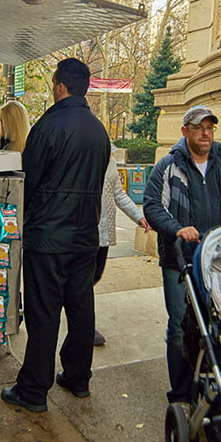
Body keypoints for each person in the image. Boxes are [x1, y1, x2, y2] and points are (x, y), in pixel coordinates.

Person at [2, 59, 110, 413]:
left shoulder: (48, 126)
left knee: (43, 314)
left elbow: (28, 181)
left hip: (48, 238)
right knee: (81, 310)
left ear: (59, 85)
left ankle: (33, 390)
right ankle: (78, 378)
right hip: (84, 238)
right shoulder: (99, 130)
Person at [143, 104, 221, 405]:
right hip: (179, 261)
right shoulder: (168, 167)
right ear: (185, 132)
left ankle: (214, 382)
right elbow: (153, 206)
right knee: (181, 325)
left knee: (217, 322)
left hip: (218, 261)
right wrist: (178, 229)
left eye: (209, 127)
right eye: (198, 127)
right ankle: (181, 393)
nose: (205, 133)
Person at [93, 148, 150, 346]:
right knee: (84, 282)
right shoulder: (81, 160)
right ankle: (85, 327)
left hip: (105, 233)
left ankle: (80, 317)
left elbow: (119, 194)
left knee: (95, 277)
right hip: (85, 231)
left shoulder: (110, 163)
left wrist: (139, 216)